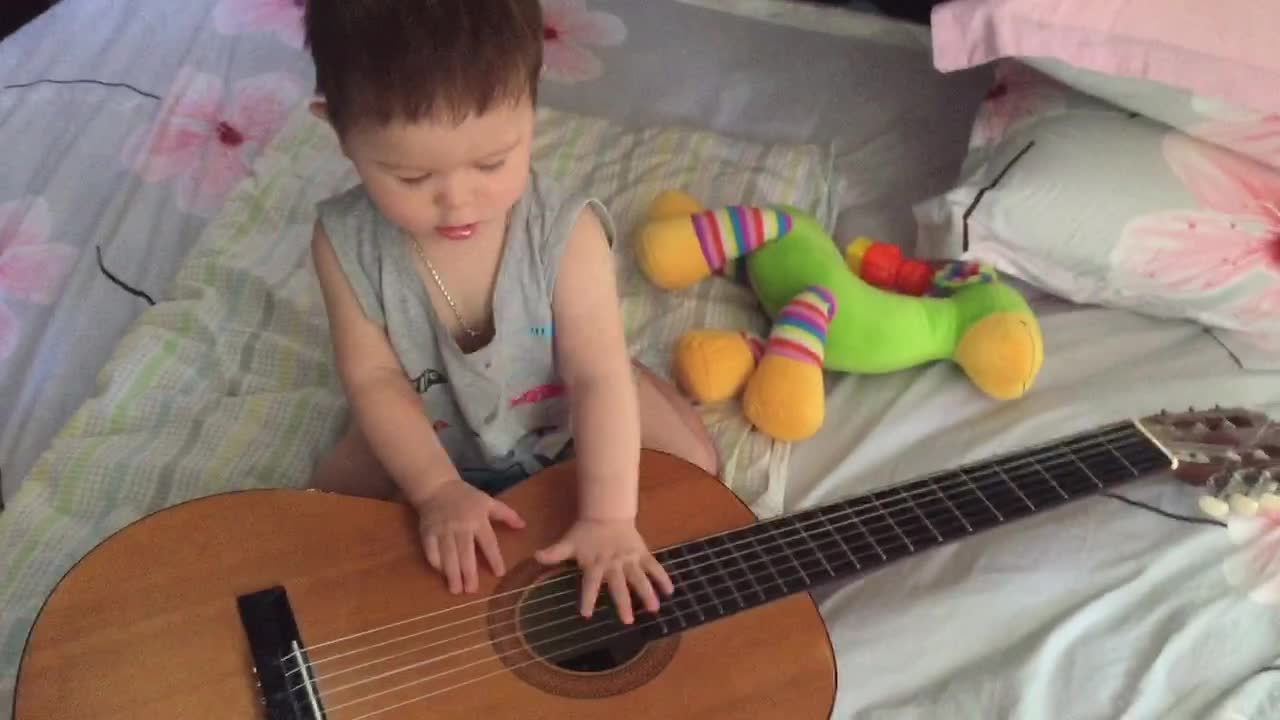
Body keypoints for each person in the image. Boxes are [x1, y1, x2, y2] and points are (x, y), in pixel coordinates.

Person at [301, 0, 718, 625]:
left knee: (694, 472)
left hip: (562, 399)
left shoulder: (565, 234)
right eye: (411, 177)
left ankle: (635, 374)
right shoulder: (343, 242)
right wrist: (437, 490)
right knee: (325, 510)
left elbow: (594, 382)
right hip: (429, 403)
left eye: (493, 162)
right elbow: (374, 380)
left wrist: (608, 519)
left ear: (532, 102)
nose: (460, 201)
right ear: (335, 128)